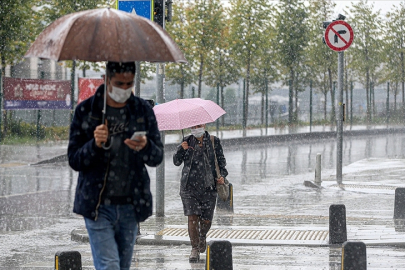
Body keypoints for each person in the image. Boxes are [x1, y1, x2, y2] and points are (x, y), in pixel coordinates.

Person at [68, 61, 163, 270]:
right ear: (107, 80)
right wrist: (94, 144)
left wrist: (145, 146)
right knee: (109, 265)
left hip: (130, 205)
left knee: (122, 265)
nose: (124, 89)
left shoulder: (142, 111)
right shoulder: (87, 111)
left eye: (129, 84)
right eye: (119, 83)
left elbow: (157, 157)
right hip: (97, 206)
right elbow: (74, 159)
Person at [173, 124, 228, 262]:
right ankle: (195, 249)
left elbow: (221, 163)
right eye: (193, 126)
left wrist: (222, 176)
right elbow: (176, 161)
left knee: (206, 220)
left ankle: (202, 236)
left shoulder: (214, 141)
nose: (196, 128)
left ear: (204, 125)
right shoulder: (186, 141)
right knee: (192, 218)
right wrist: (181, 149)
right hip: (189, 187)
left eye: (199, 126)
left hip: (209, 187)